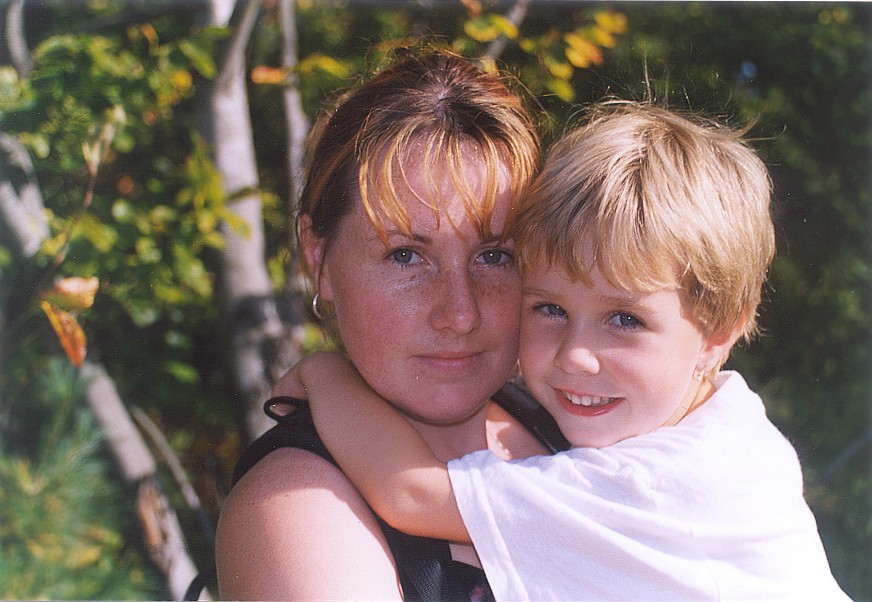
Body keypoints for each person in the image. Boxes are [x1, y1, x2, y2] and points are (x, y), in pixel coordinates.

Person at [284, 101, 851, 600]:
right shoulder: (731, 425)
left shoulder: (647, 486)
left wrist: (323, 373)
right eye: (551, 309)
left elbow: (410, 493)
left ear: (719, 332)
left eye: (625, 320)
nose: (575, 356)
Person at [214, 48, 569, 600]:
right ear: (317, 257)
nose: (460, 313)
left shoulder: (577, 422)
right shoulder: (297, 508)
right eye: (405, 256)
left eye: (495, 256)